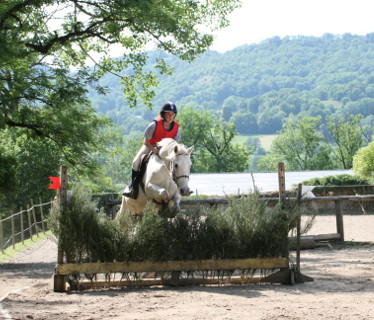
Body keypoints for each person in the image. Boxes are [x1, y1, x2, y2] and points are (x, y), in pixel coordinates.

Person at [123, 102, 181, 199]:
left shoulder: (176, 128)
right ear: (163, 114)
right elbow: (145, 142)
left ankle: (179, 187)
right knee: (135, 162)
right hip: (150, 146)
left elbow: (175, 144)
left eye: (173, 114)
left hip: (166, 151)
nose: (171, 117)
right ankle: (133, 187)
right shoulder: (154, 125)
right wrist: (154, 150)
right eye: (169, 114)